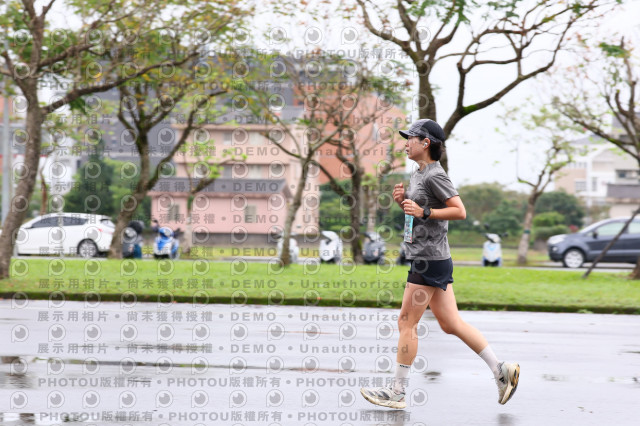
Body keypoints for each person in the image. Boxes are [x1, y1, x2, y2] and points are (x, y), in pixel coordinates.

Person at [360, 119, 520, 409]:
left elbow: (459, 211)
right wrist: (404, 202)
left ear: (426, 143)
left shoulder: (435, 174)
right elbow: (420, 213)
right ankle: (501, 371)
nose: (405, 143)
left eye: (411, 138)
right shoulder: (418, 173)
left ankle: (397, 391)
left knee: (406, 322)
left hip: (428, 260)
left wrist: (424, 211)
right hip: (432, 258)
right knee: (450, 323)